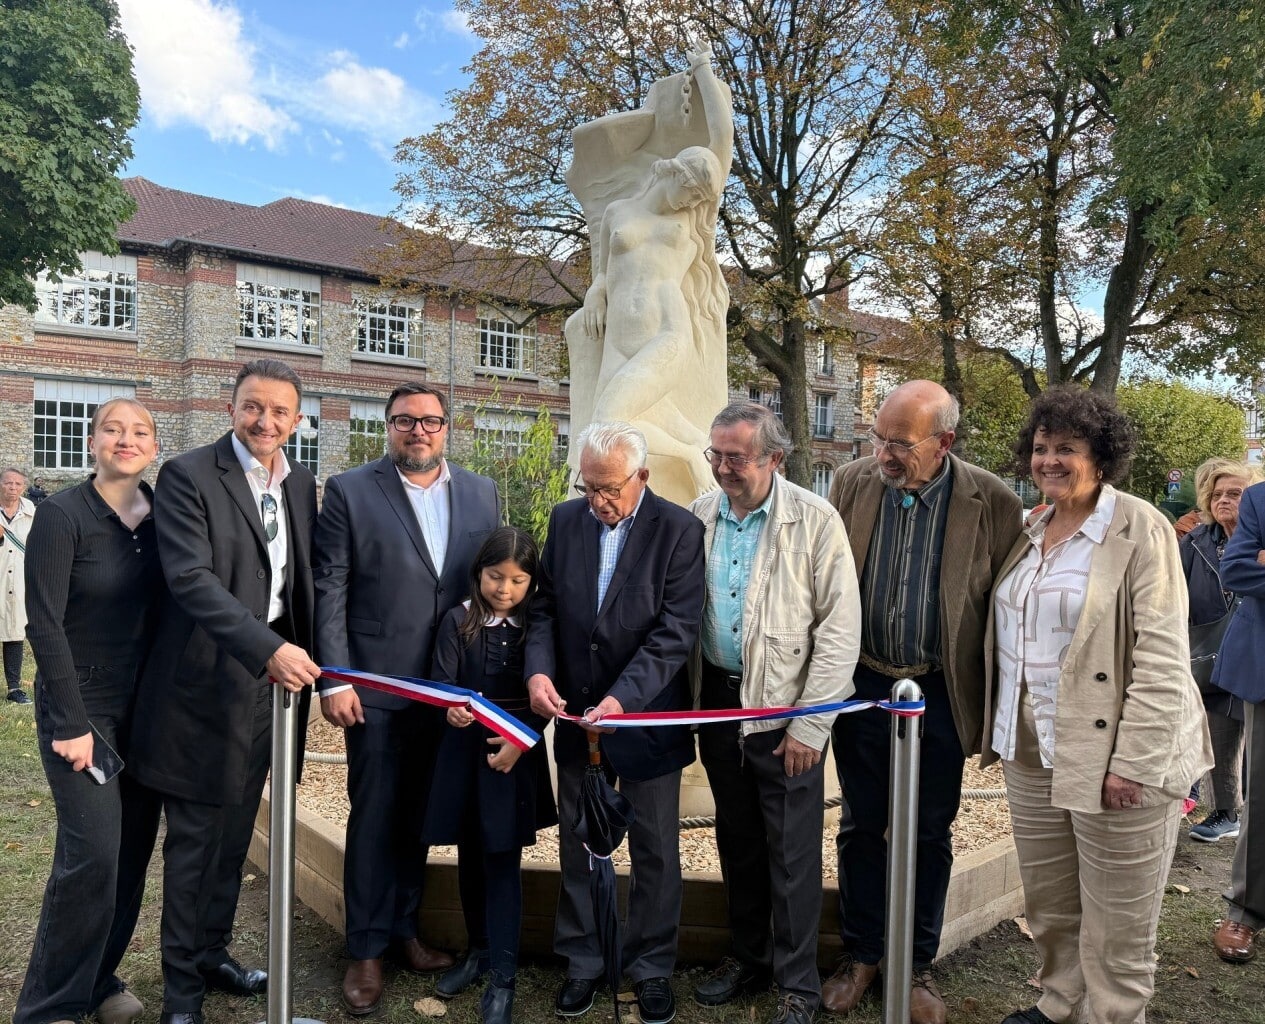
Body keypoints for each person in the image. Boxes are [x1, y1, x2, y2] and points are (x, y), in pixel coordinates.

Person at [984, 386, 1212, 1024]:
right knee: (1052, 907)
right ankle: (1060, 1005)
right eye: (1040, 447)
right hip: (1030, 752)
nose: (1049, 460)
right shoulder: (1030, 530)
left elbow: (1163, 656)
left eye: (1067, 448)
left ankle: (1111, 1015)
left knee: (1118, 926)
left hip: (1112, 756)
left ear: (1102, 457)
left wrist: (1134, 762)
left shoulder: (1137, 527)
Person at [127, 359, 322, 1024]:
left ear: (296, 421)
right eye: (252, 407)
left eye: (279, 412)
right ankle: (181, 992)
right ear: (231, 407)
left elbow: (298, 586)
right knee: (193, 844)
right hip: (199, 691)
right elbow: (191, 579)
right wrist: (271, 650)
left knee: (236, 833)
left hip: (266, 698)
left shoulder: (299, 485)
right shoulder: (186, 475)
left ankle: (212, 955)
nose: (264, 422)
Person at [825, 380, 1021, 1024]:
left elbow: (1003, 607)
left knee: (929, 829)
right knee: (860, 822)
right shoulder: (853, 483)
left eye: (900, 444)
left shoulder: (989, 499)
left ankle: (915, 965)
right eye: (878, 437)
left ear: (945, 442)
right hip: (864, 685)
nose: (883, 452)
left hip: (939, 690)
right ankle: (863, 955)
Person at [313, 381, 499, 1015]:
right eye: (404, 421)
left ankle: (404, 931)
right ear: (386, 427)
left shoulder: (480, 493)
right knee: (375, 817)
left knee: (421, 815)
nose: (418, 431)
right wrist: (335, 677)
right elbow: (329, 587)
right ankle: (364, 949)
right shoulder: (349, 491)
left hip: (448, 691)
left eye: (430, 421)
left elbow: (491, 588)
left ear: (447, 428)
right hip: (377, 688)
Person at [525, 421, 704, 1024]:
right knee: (581, 844)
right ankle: (583, 962)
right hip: (575, 714)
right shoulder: (565, 521)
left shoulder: (680, 530)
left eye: (609, 489)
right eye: (589, 486)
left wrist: (624, 700)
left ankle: (651, 967)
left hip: (649, 718)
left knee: (655, 850)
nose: (597, 500)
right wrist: (538, 674)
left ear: (642, 478)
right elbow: (544, 608)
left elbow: (675, 631)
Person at [689, 402, 861, 1024]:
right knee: (736, 839)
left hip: (784, 714)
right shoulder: (702, 514)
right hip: (716, 703)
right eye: (717, 455)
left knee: (792, 852)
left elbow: (839, 632)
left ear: (775, 458)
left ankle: (797, 981)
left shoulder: (815, 521)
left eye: (736, 457)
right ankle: (748, 957)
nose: (724, 469)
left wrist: (811, 726)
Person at [14, 401, 162, 1024]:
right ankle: (50, 1007)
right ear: (93, 439)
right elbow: (42, 624)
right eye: (112, 429)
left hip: (150, 708)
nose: (125, 440)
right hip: (84, 706)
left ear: (155, 444)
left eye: (140, 431)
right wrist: (72, 723)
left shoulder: (165, 516)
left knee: (130, 856)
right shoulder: (61, 514)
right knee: (93, 856)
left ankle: (98, 981)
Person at [565, 42, 733, 503]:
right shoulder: (618, 210)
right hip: (618, 337)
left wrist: (702, 70)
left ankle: (689, 459)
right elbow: (603, 270)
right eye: (691, 187)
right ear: (674, 172)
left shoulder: (686, 224)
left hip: (665, 331)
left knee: (608, 426)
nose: (693, 199)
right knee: (626, 424)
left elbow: (722, 139)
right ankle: (697, 451)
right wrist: (596, 293)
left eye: (702, 194)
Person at [422, 527, 556, 1024]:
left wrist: (520, 744)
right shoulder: (457, 620)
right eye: (496, 577)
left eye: (518, 580)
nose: (505, 589)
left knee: (501, 864)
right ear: (479, 571)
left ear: (531, 582)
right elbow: (442, 681)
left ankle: (504, 977)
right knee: (470, 858)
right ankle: (477, 951)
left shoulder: (536, 630)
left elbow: (545, 700)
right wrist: (450, 709)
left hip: (512, 762)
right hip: (464, 759)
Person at [1180, 458, 1262, 843]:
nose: (1224, 500)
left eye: (1235, 493)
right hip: (1208, 649)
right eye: (1217, 494)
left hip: (1252, 648)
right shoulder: (1195, 543)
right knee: (1220, 730)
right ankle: (1226, 811)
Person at [1209, 478, 1265, 965]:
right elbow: (1239, 570)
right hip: (1263, 667)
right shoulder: (1260, 499)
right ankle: (1244, 911)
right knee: (1263, 796)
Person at [2, 466, 36, 703]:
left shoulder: (32, 512)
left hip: (19, 580)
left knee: (14, 631)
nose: (13, 488)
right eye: (7, 483)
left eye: (17, 484)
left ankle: (14, 688)